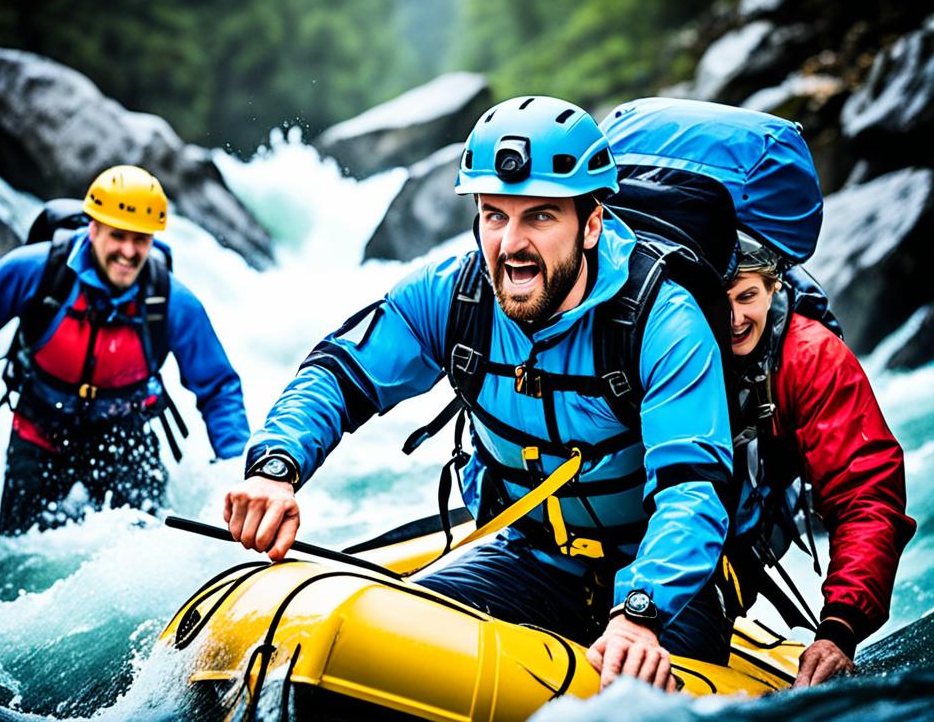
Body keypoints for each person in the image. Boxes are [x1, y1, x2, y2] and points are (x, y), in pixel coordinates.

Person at [223, 96, 735, 691]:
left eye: (539, 217)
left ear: (591, 223)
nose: (511, 244)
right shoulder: (454, 295)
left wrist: (641, 612)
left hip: (665, 587)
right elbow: (339, 372)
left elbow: (692, 485)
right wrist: (275, 467)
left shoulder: (662, 319)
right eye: (495, 216)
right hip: (533, 559)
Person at [0, 165, 251, 534]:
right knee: (18, 552)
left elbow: (218, 387)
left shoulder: (172, 301)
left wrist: (238, 470)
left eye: (140, 240)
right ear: (93, 228)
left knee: (145, 553)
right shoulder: (36, 270)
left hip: (124, 439)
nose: (128, 251)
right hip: (39, 430)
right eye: (117, 236)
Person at [724, 234, 916, 687]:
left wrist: (839, 630)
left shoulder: (811, 356)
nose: (733, 320)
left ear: (773, 289)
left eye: (747, 296)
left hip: (730, 549)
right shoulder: (664, 341)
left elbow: (865, 493)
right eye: (719, 301)